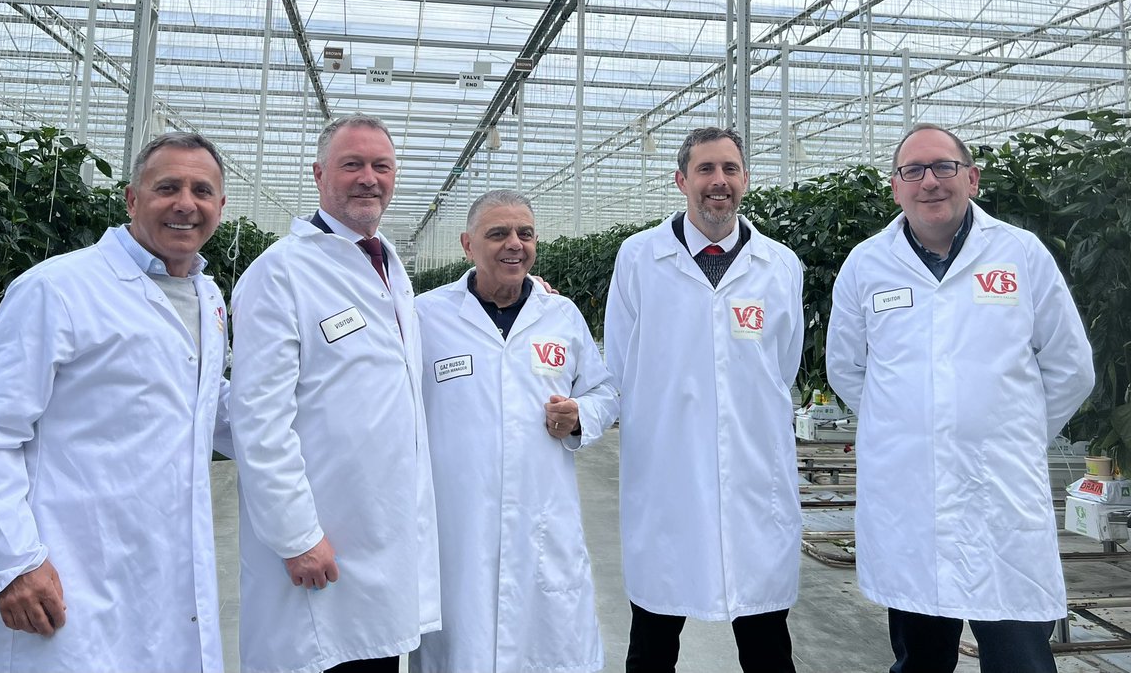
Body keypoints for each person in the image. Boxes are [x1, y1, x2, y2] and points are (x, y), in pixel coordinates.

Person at [0, 132, 231, 672]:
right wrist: (13, 563)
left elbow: (207, 404)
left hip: (164, 572)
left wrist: (315, 420)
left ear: (220, 206)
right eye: (167, 186)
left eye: (202, 190)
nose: (185, 204)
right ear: (131, 198)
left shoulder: (206, 296)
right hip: (71, 570)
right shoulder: (58, 289)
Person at [826, 123, 1095, 673]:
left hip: (1001, 501)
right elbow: (848, 369)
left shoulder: (1020, 254)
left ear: (971, 178)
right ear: (895, 187)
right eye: (914, 171)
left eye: (944, 168)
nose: (930, 182)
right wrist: (912, 426)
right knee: (921, 660)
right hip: (912, 503)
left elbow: (1071, 367)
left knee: (1020, 660)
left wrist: (1009, 433)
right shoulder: (866, 265)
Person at [229, 113, 439, 673]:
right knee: (321, 658)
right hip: (319, 541)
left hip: (381, 535)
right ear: (320, 175)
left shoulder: (390, 265)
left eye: (381, 166)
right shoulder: (280, 273)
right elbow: (258, 419)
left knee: (373, 658)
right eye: (352, 165)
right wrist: (295, 534)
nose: (368, 177)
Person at [604, 126, 803, 673]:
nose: (719, 182)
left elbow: (781, 365)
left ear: (745, 179)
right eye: (705, 170)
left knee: (766, 639)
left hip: (753, 471)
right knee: (653, 638)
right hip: (668, 474)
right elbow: (619, 363)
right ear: (681, 180)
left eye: (730, 170)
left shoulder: (780, 264)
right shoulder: (640, 258)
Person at [411, 190, 618, 673]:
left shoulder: (560, 315)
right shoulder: (426, 315)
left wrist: (579, 415)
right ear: (467, 244)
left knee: (547, 647)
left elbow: (605, 392)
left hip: (542, 515)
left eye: (525, 234)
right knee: (462, 646)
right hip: (457, 523)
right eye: (498, 233)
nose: (514, 244)